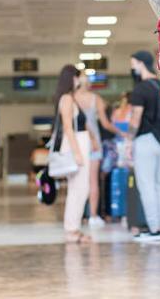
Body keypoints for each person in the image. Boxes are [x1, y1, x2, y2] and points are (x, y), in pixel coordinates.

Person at [125, 51, 160, 241]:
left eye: (133, 63)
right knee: (158, 184)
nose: (132, 68)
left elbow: (136, 118)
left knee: (146, 185)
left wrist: (128, 140)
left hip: (144, 141)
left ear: (141, 63)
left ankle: (153, 229)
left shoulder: (140, 89)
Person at [74, 69, 121, 228]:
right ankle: (93, 216)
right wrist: (123, 132)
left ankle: (78, 215)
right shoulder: (96, 99)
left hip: (77, 143)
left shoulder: (71, 99)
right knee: (93, 181)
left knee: (77, 182)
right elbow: (106, 124)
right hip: (94, 144)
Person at [54, 65, 92, 244]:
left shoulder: (70, 98)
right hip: (76, 144)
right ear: (72, 78)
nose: (80, 80)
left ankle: (73, 228)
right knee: (79, 189)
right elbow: (68, 127)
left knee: (78, 189)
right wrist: (77, 154)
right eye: (78, 77)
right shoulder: (67, 99)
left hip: (79, 143)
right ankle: (71, 230)